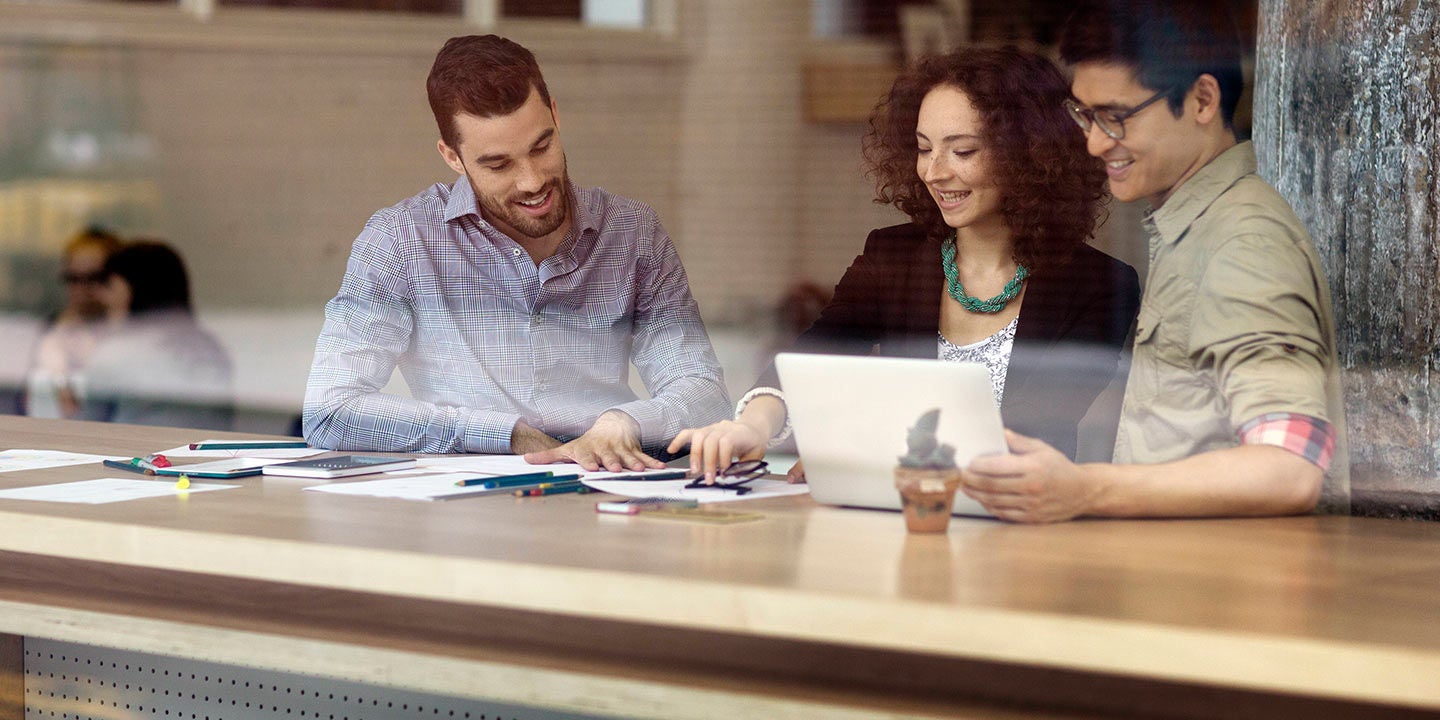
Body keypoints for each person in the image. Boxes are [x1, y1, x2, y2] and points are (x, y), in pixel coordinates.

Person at [670, 46, 1141, 483]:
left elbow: (1025, 433)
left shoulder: (1100, 284)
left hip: (1017, 527)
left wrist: (858, 454)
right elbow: (813, 357)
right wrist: (754, 423)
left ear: (1030, 156)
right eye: (923, 147)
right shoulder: (893, 256)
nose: (934, 170)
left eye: (963, 151)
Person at [957, 0, 1349, 522]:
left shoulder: (1243, 243)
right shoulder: (1195, 228)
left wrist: (1085, 490)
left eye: (1116, 118)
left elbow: (1289, 466)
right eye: (1085, 115)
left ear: (1202, 99)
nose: (1095, 143)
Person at [302, 35, 730, 471]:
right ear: (452, 157)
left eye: (541, 147)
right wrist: (507, 435)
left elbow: (704, 393)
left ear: (556, 116)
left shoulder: (632, 232)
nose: (531, 182)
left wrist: (625, 421)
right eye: (498, 165)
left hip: (612, 490)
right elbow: (331, 409)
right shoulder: (400, 243)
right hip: (473, 510)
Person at [78, 240, 234, 430]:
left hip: (134, 456)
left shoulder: (119, 352)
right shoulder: (209, 348)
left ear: (131, 290)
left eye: (110, 286)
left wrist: (69, 410)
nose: (101, 296)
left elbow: (87, 429)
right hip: (208, 456)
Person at [25, 227, 123, 419]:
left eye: (93, 278)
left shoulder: (127, 333)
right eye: (73, 278)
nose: (81, 289)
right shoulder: (53, 329)